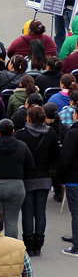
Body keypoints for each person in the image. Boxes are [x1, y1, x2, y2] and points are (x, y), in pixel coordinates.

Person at [14, 105, 60, 255]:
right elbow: (55, 154)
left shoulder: (21, 135)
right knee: (40, 211)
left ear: (28, 118)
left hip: (26, 177)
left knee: (27, 211)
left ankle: (28, 242)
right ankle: (39, 243)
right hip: (44, 176)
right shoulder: (50, 133)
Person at [56, 103, 78, 256]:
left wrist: (61, 177)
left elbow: (65, 158)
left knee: (76, 212)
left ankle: (76, 246)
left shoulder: (73, 133)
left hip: (74, 178)